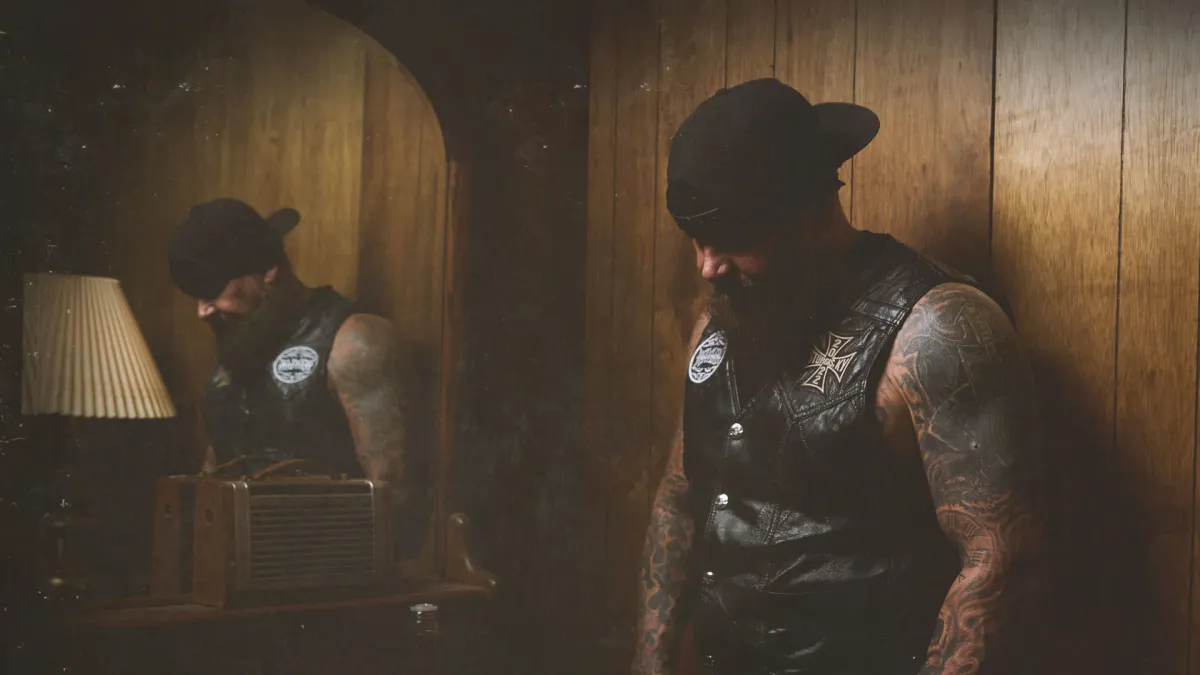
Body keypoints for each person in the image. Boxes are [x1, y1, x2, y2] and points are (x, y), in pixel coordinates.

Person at [633, 79, 1044, 675]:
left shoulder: (937, 329)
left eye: (734, 241)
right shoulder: (723, 320)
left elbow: (998, 561)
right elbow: (678, 500)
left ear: (813, 211)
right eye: (699, 242)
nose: (707, 268)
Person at [167, 198, 427, 551]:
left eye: (213, 290)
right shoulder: (239, 346)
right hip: (235, 570)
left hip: (323, 572)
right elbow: (218, 471)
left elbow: (396, 499)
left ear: (268, 271)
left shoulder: (355, 343)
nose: (202, 311)